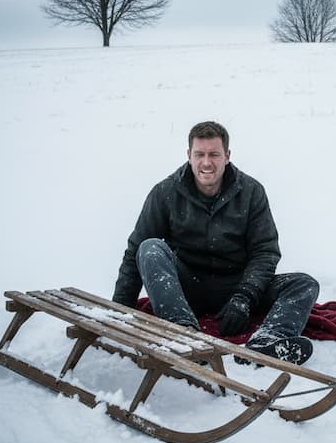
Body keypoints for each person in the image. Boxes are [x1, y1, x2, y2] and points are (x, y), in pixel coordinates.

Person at [113, 121, 319, 365]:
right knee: (149, 248)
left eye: (214, 154)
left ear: (227, 156)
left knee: (304, 284)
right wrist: (118, 312)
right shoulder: (165, 192)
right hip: (187, 286)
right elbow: (135, 251)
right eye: (199, 154)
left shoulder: (252, 191)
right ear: (189, 156)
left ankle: (267, 343)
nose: (206, 162)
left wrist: (244, 298)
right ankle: (184, 336)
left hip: (236, 286)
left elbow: (265, 252)